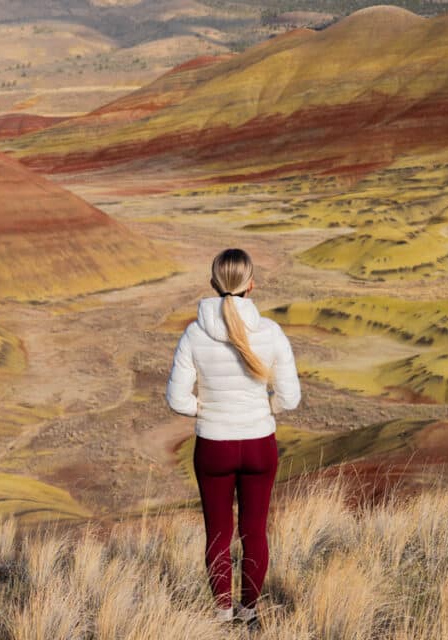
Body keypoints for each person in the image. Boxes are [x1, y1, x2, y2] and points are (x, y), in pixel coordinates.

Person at [165, 248, 301, 629]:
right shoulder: (270, 332)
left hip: (213, 446)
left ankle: (222, 616)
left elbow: (176, 398)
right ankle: (249, 614)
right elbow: (290, 397)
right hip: (259, 444)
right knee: (254, 531)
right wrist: (264, 408)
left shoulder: (195, 334)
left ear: (213, 283)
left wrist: (206, 410)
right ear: (251, 284)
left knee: (218, 533)